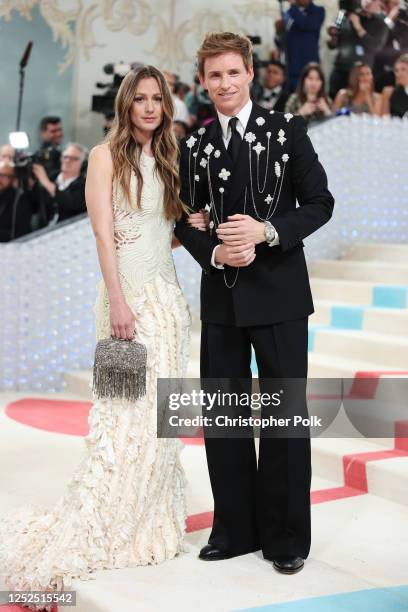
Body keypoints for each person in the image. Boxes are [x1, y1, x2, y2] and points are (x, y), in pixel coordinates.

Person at [0, 65, 207, 602]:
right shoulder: (103, 157)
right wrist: (117, 300)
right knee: (121, 418)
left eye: (156, 99)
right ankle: (107, 523)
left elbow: (163, 237)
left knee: (159, 421)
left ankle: (145, 521)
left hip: (167, 306)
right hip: (125, 304)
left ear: (165, 105)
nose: (148, 108)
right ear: (125, 104)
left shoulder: (168, 158)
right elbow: (103, 236)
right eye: (139, 99)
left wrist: (196, 229)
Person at [175, 32, 334, 574]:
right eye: (214, 75)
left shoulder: (287, 131)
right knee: (223, 418)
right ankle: (234, 529)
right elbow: (182, 218)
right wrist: (215, 251)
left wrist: (266, 232)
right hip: (221, 299)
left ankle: (285, 538)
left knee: (285, 418)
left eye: (232, 73)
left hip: (282, 296)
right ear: (203, 82)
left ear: (249, 73)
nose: (224, 83)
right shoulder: (193, 145)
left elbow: (320, 202)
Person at [328, 0, 388, 98]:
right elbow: (332, 45)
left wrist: (358, 27)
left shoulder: (381, 23)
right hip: (341, 70)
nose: (368, 2)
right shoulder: (343, 15)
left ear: (380, 3)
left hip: (362, 74)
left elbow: (375, 47)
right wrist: (333, 34)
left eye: (373, 0)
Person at [32, 142, 88, 224]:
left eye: (74, 158)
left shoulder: (85, 185)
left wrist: (45, 181)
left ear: (83, 164)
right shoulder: (51, 177)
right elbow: (34, 205)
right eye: (65, 157)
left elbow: (71, 203)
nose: (67, 161)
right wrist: (31, 185)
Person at [277, 0, 325, 92]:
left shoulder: (318, 11)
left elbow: (305, 24)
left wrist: (293, 6)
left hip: (307, 69)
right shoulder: (289, 12)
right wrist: (278, 32)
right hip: (290, 67)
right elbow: (283, 41)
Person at [373, 0, 408, 91]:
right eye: (395, 4)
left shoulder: (401, 24)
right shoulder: (376, 20)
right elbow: (377, 43)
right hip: (381, 75)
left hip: (401, 75)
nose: (398, 8)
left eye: (399, 4)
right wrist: (389, 20)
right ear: (384, 6)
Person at [0, 161, 32, 242]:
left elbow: (21, 235)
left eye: (4, 176)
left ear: (13, 179)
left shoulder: (19, 200)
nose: (0, 178)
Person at [381, 53, 408, 117]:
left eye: (403, 69)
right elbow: (385, 120)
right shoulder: (391, 93)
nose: (399, 73)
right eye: (396, 70)